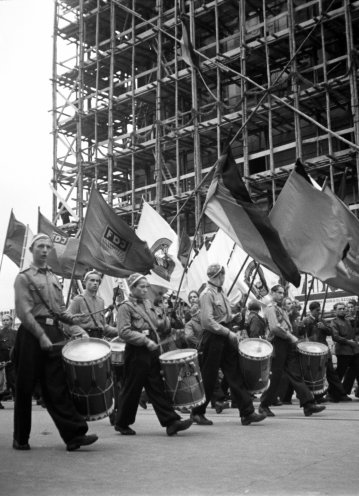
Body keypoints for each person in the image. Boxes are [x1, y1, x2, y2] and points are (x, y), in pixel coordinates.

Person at [12, 233, 98, 451]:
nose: (44, 250)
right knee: (24, 388)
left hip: (54, 331)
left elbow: (59, 311)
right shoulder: (24, 277)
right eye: (40, 246)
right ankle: (20, 438)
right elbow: (24, 312)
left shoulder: (53, 278)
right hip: (31, 334)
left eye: (48, 247)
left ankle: (74, 436)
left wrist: (75, 324)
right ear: (32, 249)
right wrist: (41, 336)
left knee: (57, 386)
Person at [113, 273, 192, 436]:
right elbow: (123, 332)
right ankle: (121, 422)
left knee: (157, 386)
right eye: (141, 286)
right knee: (132, 388)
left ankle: (171, 422)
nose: (144, 289)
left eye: (145, 286)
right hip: (136, 352)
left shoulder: (148, 303)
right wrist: (144, 340)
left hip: (151, 351)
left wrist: (164, 321)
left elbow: (155, 324)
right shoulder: (125, 307)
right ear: (132, 288)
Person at [190, 263, 266, 426]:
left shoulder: (221, 292)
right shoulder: (206, 294)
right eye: (222, 275)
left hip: (225, 334)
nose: (224, 278)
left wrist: (236, 315)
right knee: (209, 377)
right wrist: (228, 332)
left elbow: (225, 315)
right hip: (213, 338)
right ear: (217, 276)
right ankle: (197, 412)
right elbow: (207, 321)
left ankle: (247, 412)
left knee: (234, 373)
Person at [258, 285, 326, 417]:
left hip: (287, 344)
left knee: (295, 374)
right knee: (276, 377)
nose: (281, 295)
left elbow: (289, 322)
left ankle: (308, 404)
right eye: (278, 292)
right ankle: (264, 405)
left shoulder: (280, 309)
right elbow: (275, 328)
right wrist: (290, 337)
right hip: (278, 343)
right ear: (272, 293)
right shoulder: (270, 308)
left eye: (283, 293)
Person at [301, 301, 350, 402]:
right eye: (317, 310)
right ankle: (316, 396)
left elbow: (330, 331)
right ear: (311, 310)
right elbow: (302, 334)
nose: (318, 312)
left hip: (324, 350)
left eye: (320, 310)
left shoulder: (321, 320)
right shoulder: (306, 321)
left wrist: (324, 327)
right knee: (315, 375)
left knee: (331, 373)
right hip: (313, 351)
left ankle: (341, 393)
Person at [67, 270, 117, 339]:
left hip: (98, 339)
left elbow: (103, 326)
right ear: (85, 283)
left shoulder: (101, 301)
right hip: (83, 340)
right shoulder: (78, 300)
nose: (95, 283)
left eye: (97, 281)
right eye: (92, 280)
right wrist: (81, 333)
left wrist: (119, 331)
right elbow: (66, 322)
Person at [331, 302, 359, 389]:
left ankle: (344, 390)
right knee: (340, 373)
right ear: (335, 311)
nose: (343, 310)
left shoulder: (348, 320)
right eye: (340, 309)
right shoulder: (334, 322)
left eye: (343, 308)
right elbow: (335, 337)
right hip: (343, 351)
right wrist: (348, 342)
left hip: (353, 350)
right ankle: (333, 392)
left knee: (356, 368)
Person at [342, 299, 359, 396]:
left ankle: (346, 390)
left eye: (352, 307)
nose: (350, 309)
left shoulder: (356, 317)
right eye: (348, 307)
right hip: (349, 347)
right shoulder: (346, 318)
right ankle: (343, 390)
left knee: (356, 367)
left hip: (356, 346)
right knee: (352, 368)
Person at [0, 314, 17, 407]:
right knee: (1, 382)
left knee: (13, 380)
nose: (5, 322)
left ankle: (17, 401)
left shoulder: (16, 333)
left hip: (13, 360)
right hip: (3, 361)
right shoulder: (0, 333)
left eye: (7, 320)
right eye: (3, 320)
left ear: (11, 321)